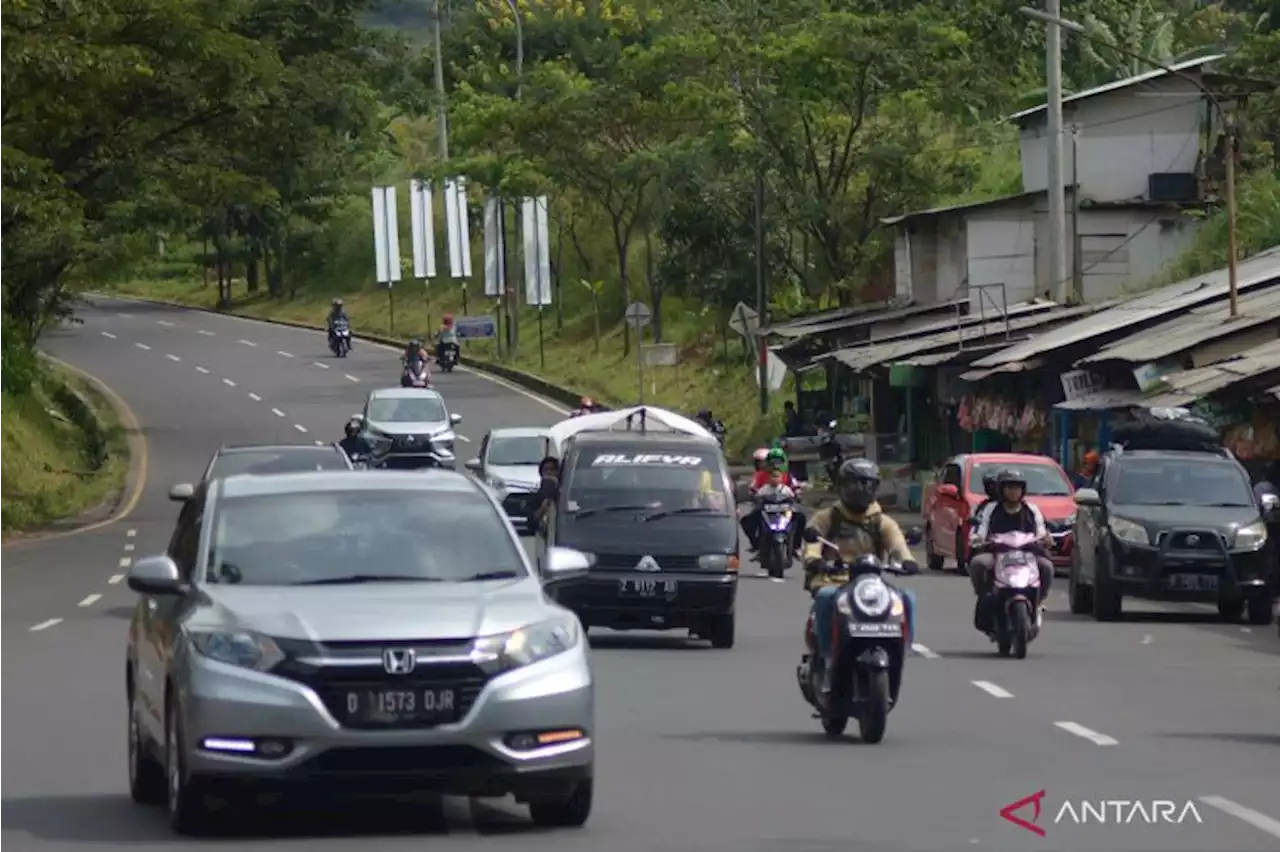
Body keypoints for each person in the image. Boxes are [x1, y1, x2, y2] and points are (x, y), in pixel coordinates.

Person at [802, 457, 919, 695]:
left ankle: (902, 650)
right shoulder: (827, 517)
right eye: (855, 484)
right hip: (835, 580)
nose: (860, 490)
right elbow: (812, 543)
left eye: (867, 485)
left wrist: (907, 560)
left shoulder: (881, 521)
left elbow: (897, 543)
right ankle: (827, 656)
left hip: (871, 585)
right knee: (825, 597)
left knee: (907, 598)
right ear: (842, 486)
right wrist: (815, 560)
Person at [967, 467, 1054, 625]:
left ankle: (1039, 601)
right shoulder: (991, 509)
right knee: (978, 563)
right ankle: (984, 595)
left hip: (1028, 554)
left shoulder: (1031, 510)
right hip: (997, 553)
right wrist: (977, 539)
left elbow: (1041, 531)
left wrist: (1046, 539)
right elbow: (981, 531)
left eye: (1017, 488)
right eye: (1009, 488)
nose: (1014, 492)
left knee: (1047, 567)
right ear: (1002, 490)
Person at [741, 450, 806, 562]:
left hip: (785, 508)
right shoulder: (760, 475)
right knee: (746, 521)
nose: (776, 466)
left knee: (801, 518)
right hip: (765, 508)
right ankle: (756, 545)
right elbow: (753, 487)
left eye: (779, 462)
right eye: (773, 462)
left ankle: (796, 546)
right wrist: (753, 494)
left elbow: (795, 487)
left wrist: (798, 493)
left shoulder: (788, 476)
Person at [531, 456, 561, 532]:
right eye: (545, 470)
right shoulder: (537, 496)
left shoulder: (564, 492)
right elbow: (533, 520)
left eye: (552, 469)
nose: (548, 472)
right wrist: (544, 506)